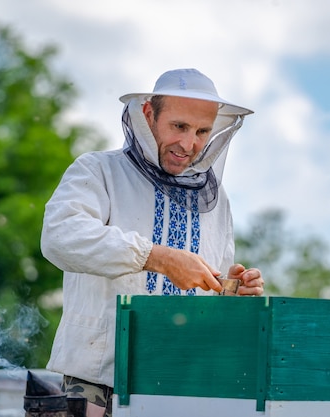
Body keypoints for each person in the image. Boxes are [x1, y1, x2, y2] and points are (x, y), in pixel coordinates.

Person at [40, 68, 264, 416]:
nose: (189, 144)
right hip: (98, 384)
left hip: (184, 385)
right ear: (148, 115)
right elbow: (60, 236)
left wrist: (235, 292)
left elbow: (212, 301)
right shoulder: (98, 170)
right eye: (179, 126)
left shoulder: (219, 204)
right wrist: (155, 257)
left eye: (202, 131)